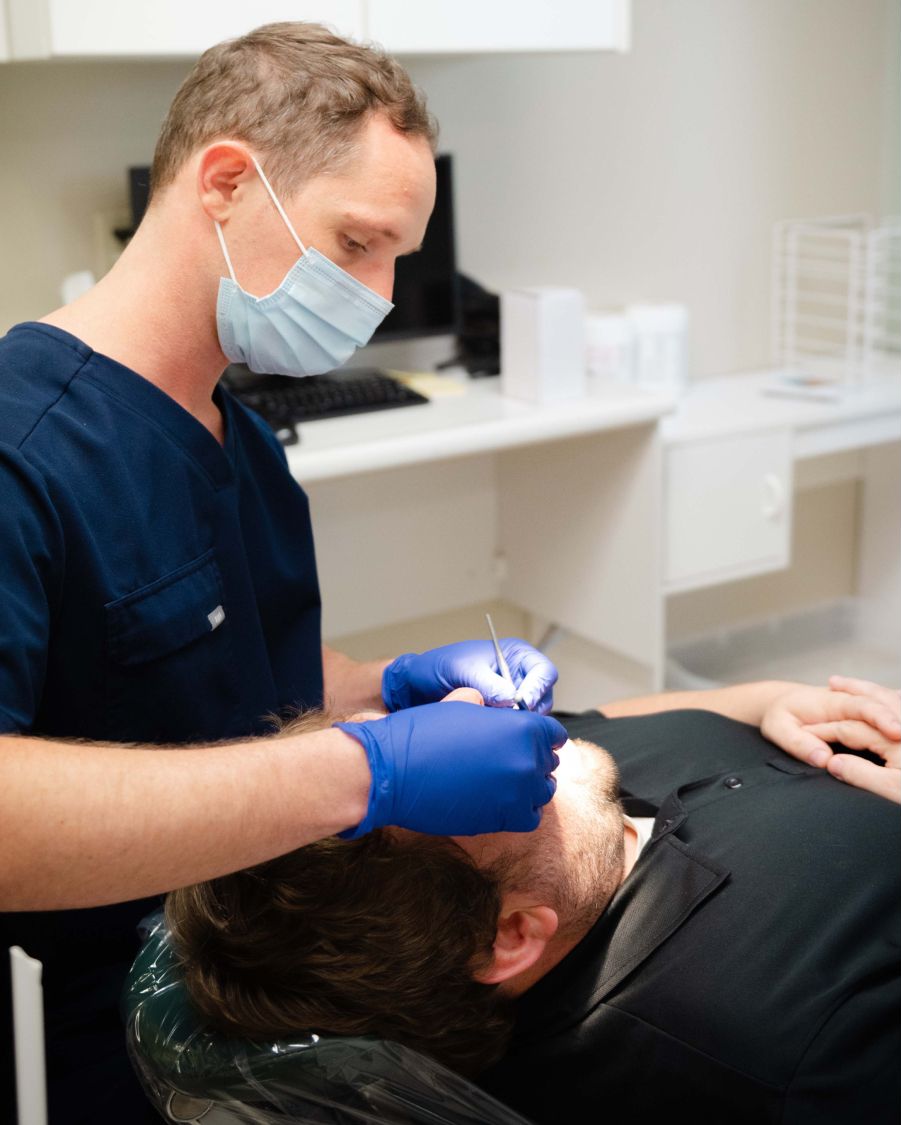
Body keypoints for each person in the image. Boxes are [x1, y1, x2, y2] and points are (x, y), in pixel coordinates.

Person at [0, 23, 568, 1123]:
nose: (385, 292)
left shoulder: (235, 436)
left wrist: (388, 686)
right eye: (357, 243)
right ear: (225, 181)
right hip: (107, 1029)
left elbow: (217, 679)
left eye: (396, 255)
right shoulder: (24, 449)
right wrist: (368, 772)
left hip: (259, 968)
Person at [167, 676, 901, 1124]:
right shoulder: (792, 1045)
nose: (466, 707)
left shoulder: (558, 829)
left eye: (382, 744)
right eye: (452, 780)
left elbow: (605, 721)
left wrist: (764, 699)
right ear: (512, 935)